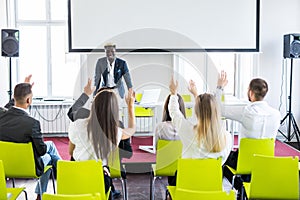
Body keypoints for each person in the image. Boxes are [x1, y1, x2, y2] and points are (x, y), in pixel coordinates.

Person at [216, 71, 281, 192]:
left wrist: (220, 87)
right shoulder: (276, 114)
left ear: (250, 92)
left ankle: (239, 188)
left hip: (243, 162)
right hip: (266, 162)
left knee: (222, 158)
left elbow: (217, 108)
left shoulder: (246, 112)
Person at [0, 76, 61, 200]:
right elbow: (42, 151)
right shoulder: (32, 123)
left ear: (14, 98)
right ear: (28, 100)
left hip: (5, 166)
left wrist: (22, 89)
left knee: (50, 147)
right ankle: (43, 192)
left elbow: (8, 107)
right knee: (49, 154)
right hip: (29, 167)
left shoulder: (1, 116)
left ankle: (65, 176)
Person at [68, 89, 136, 197]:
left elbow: (71, 152)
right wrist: (130, 106)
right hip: (99, 178)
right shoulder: (116, 132)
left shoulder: (76, 125)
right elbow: (132, 129)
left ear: (93, 105)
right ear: (114, 110)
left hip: (75, 177)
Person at [167, 76, 232, 186]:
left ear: (196, 112)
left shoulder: (187, 131)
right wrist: (197, 95)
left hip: (187, 186)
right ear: (217, 111)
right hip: (212, 187)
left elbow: (174, 112)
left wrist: (173, 94)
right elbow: (208, 110)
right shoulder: (227, 137)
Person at [67, 78, 133, 160]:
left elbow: (71, 112)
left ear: (94, 102)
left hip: (78, 168)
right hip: (106, 168)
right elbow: (128, 153)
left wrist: (86, 94)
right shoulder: (118, 126)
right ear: (114, 107)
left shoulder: (82, 115)